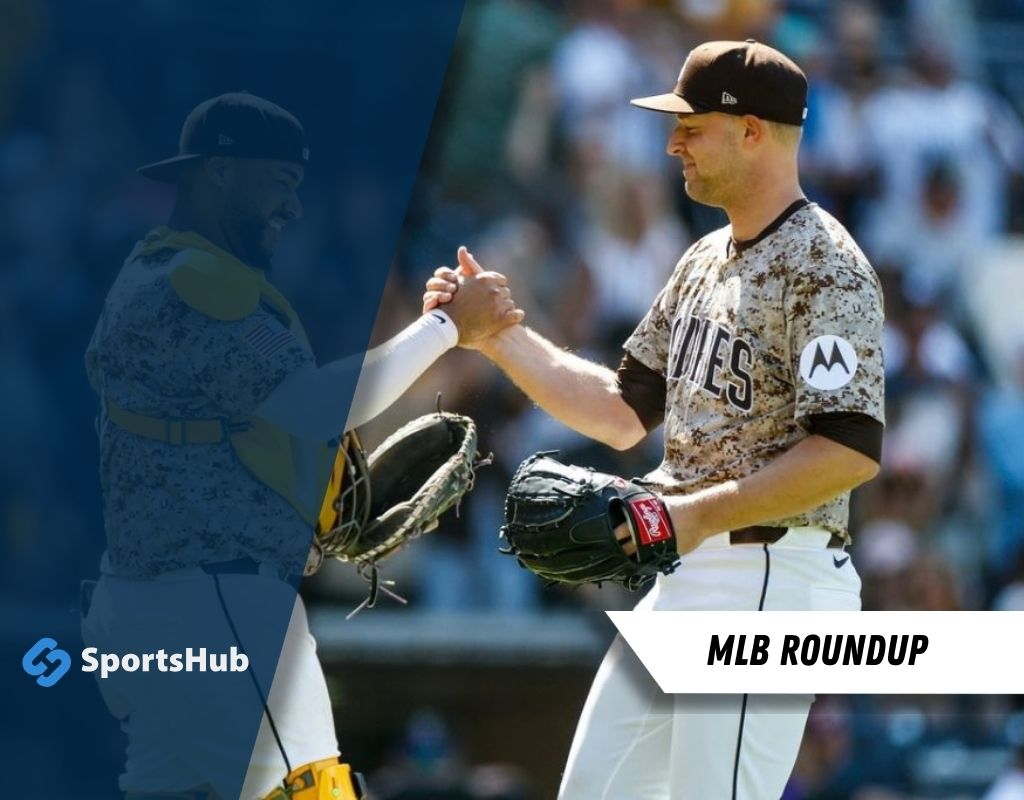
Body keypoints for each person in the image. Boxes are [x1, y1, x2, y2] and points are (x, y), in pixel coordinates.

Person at [425, 40, 884, 799]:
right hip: (689, 572)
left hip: (772, 577)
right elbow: (619, 412)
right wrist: (502, 336)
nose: (673, 143)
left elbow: (849, 449)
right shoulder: (702, 258)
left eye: (692, 125)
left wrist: (696, 516)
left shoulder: (826, 264)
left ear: (751, 132)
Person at [82, 92, 522, 800]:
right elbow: (314, 407)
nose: (290, 207)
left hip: (147, 598)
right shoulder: (206, 283)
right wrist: (447, 332)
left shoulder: (151, 273)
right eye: (277, 182)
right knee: (314, 789)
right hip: (221, 600)